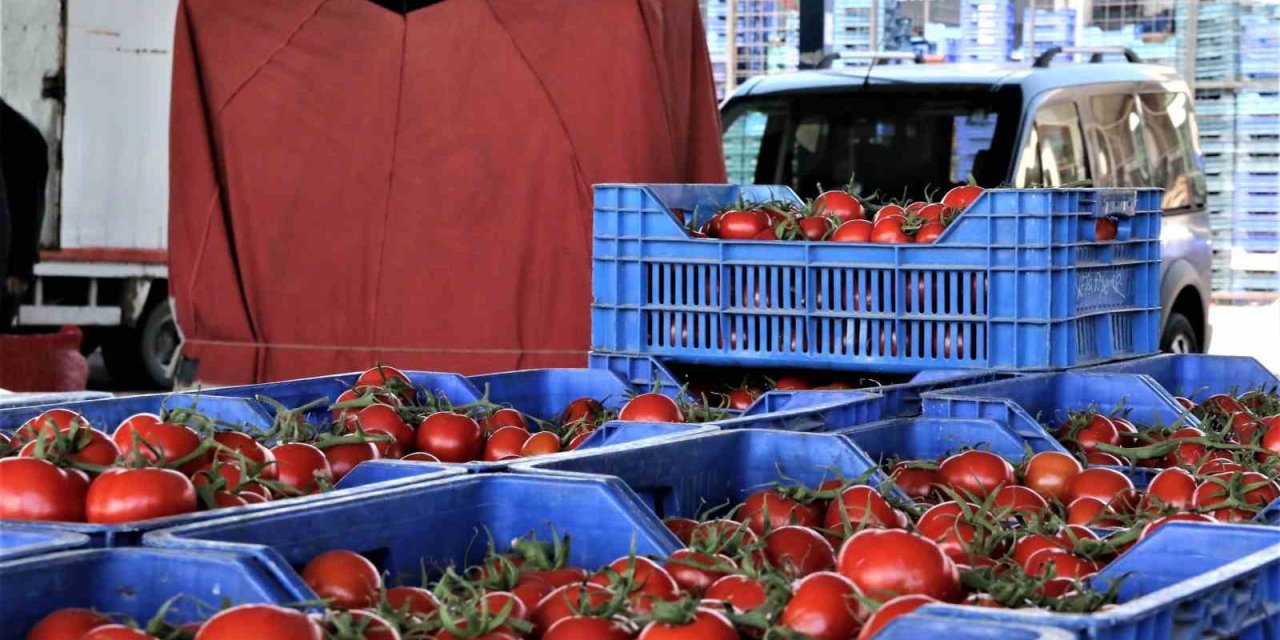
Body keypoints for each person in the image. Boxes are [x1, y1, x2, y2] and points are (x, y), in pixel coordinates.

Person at [0, 99, 48, 331]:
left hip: (8, 271)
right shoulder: (23, 134)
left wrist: (20, 268)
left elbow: (26, 211)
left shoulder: (21, 138)